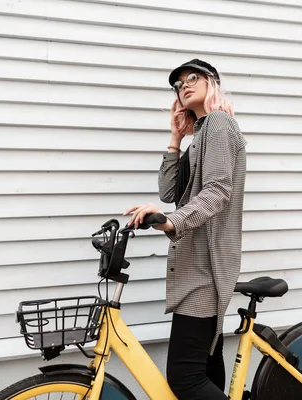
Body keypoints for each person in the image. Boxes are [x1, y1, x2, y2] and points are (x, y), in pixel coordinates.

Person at [124, 59, 247, 400]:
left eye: (193, 78)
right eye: (178, 85)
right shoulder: (201, 135)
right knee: (206, 370)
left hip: (206, 269)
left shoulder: (220, 124)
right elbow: (169, 192)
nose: (184, 85)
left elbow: (218, 191)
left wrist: (170, 220)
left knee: (185, 378)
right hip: (197, 266)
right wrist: (176, 137)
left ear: (212, 83)